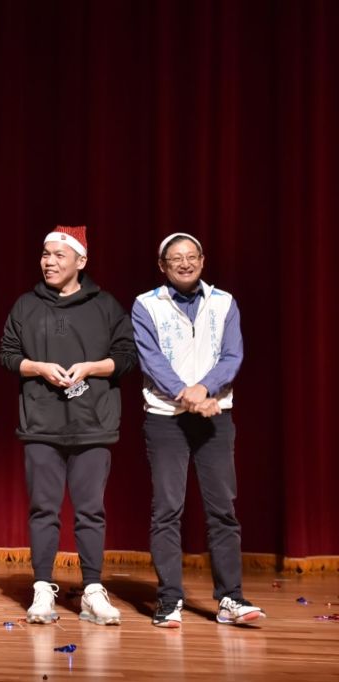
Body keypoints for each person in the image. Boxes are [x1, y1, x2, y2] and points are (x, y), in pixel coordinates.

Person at [0, 225, 135, 626]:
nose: (49, 262)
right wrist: (37, 367)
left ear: (81, 261)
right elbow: (7, 354)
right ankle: (43, 588)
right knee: (43, 509)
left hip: (93, 423)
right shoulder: (26, 305)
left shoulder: (105, 305)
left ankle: (92, 590)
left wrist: (91, 367)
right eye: (45, 254)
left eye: (59, 255)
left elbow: (127, 356)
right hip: (41, 423)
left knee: (91, 510)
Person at [132, 232, 264, 628]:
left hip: (215, 415)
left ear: (203, 261)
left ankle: (230, 598)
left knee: (223, 509)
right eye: (176, 258)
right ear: (162, 266)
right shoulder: (146, 305)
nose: (185, 263)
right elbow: (151, 359)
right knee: (167, 510)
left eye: (191, 256)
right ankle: (169, 600)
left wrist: (204, 390)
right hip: (164, 417)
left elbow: (232, 355)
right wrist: (186, 395)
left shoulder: (224, 302)